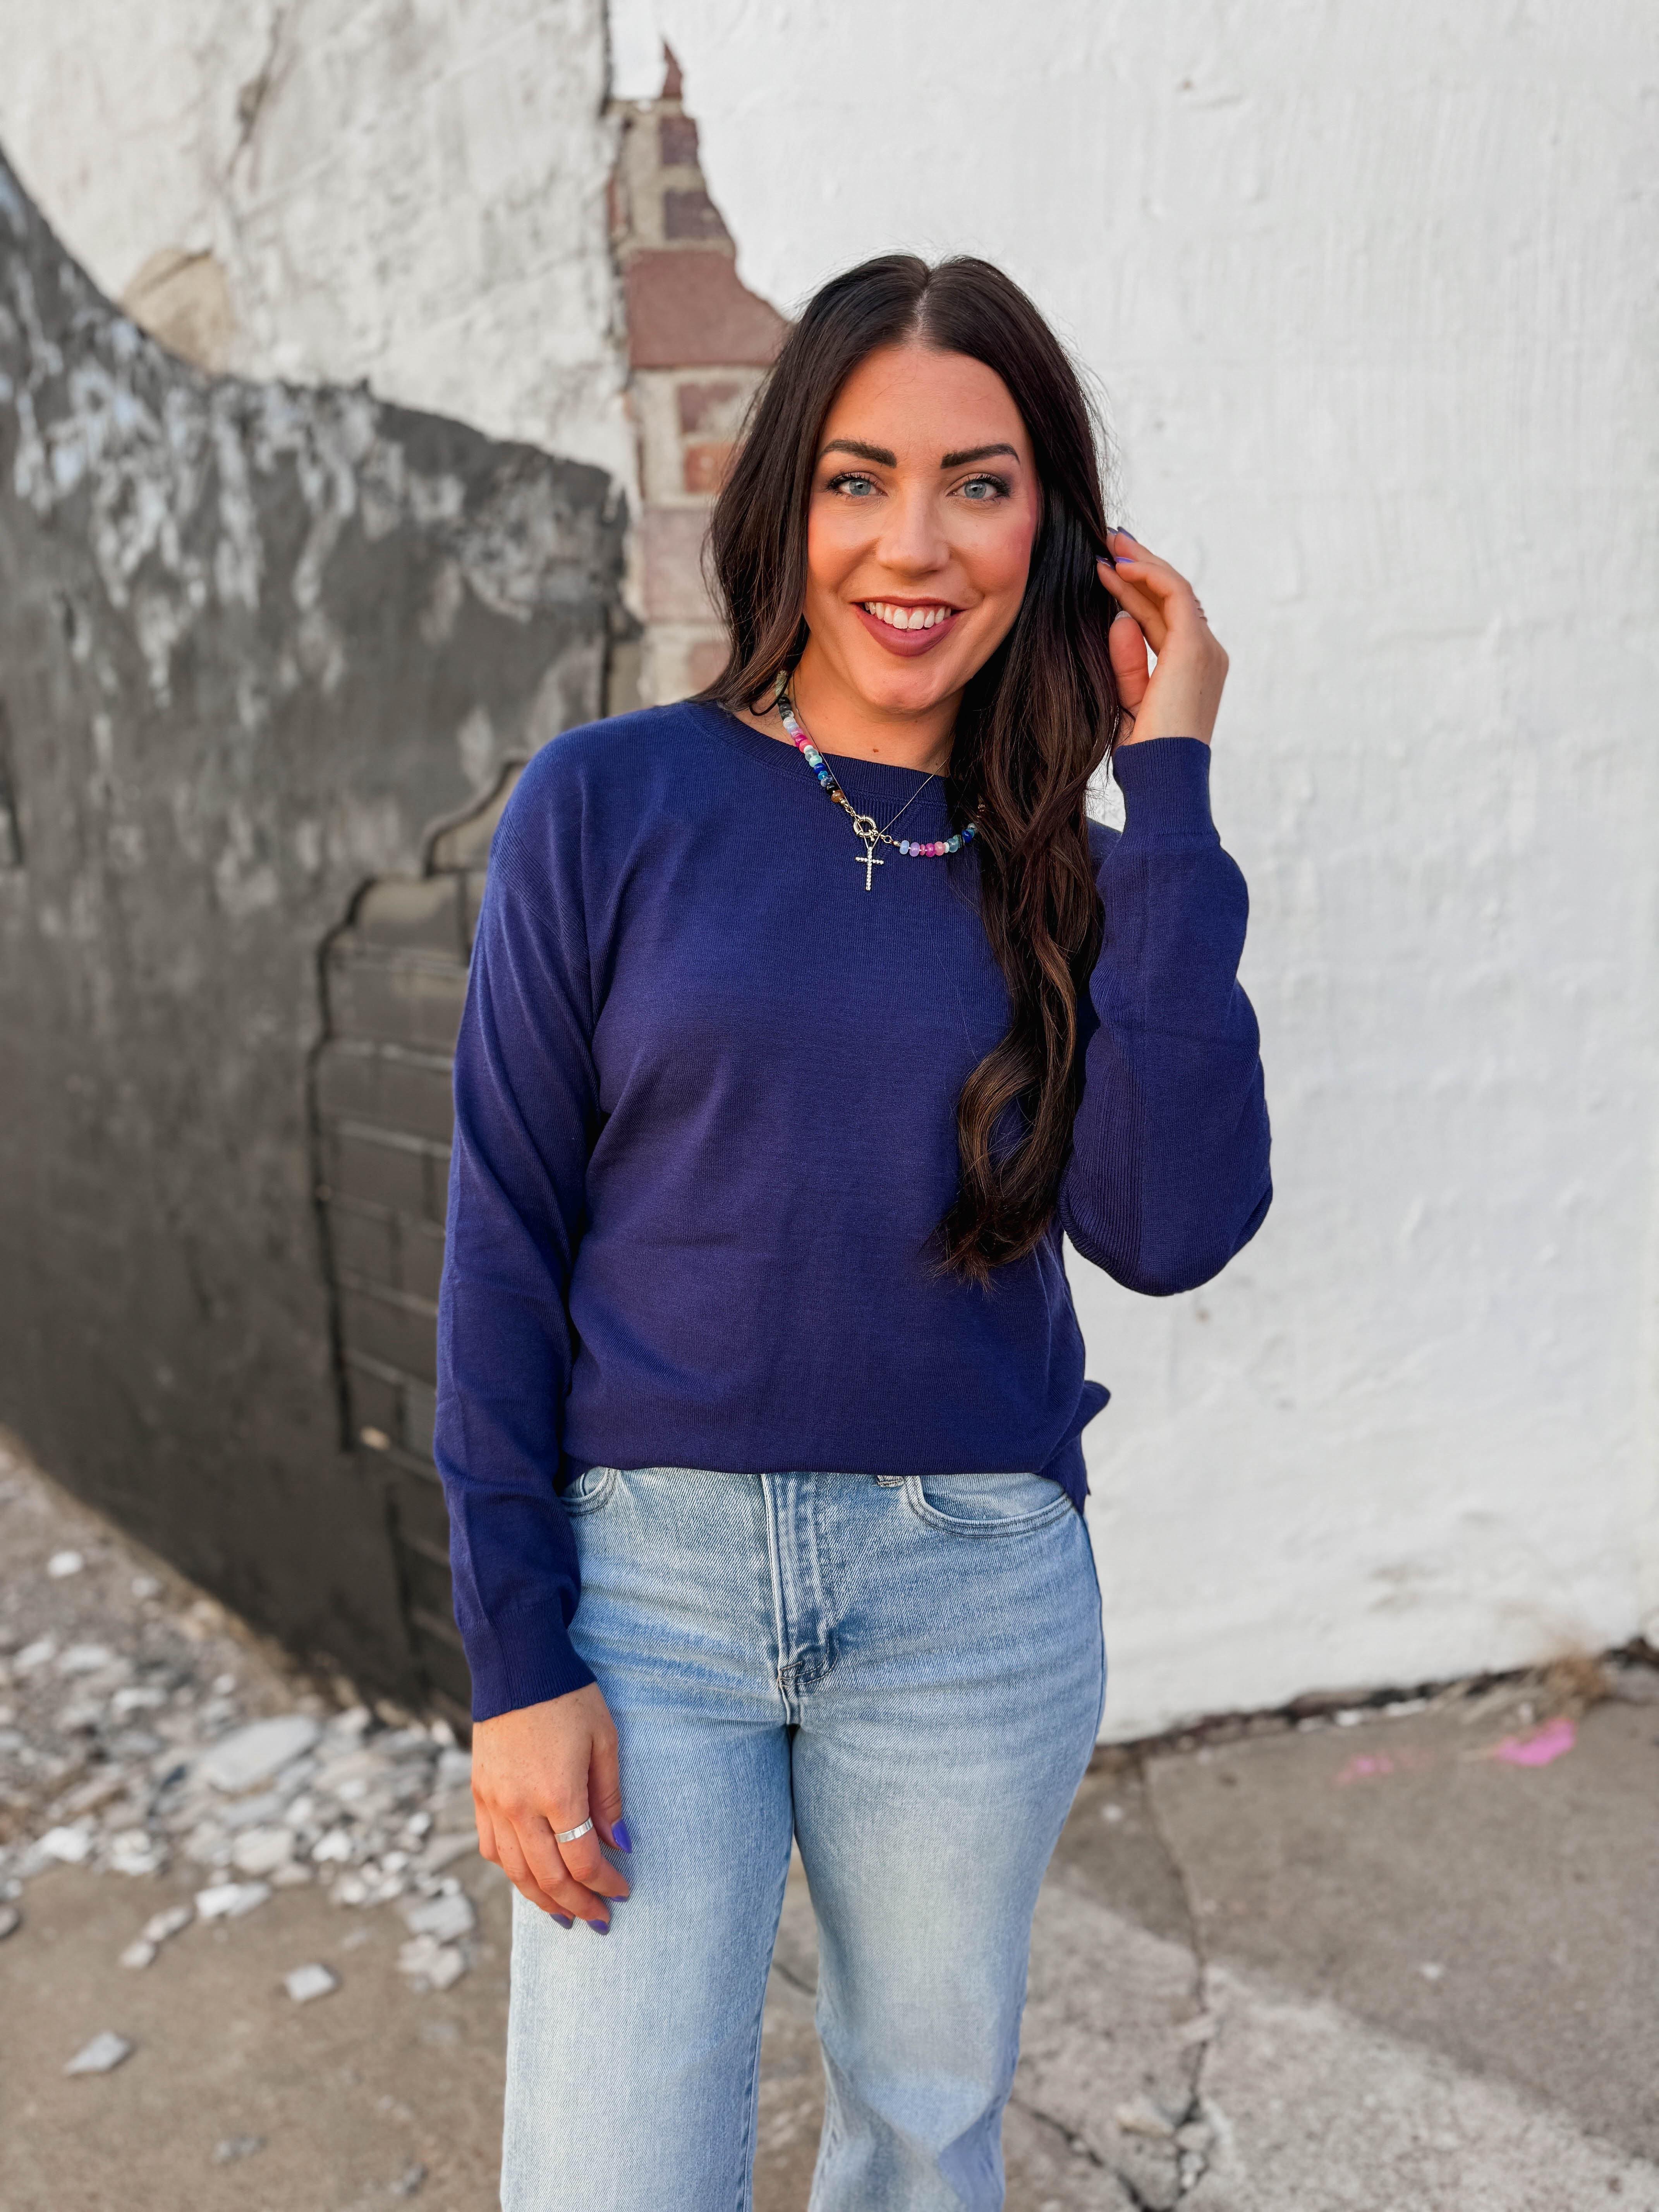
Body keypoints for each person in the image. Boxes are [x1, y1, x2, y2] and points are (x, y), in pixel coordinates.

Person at [435, 252, 1270, 2212]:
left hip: (970, 1594)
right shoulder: (609, 803)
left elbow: (1169, 1227)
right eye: (856, 479)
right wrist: (514, 1658)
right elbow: (502, 1241)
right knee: (613, 2173)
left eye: (980, 484)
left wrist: (1169, 783)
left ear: (1055, 529)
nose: (915, 545)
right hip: (650, 1596)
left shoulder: (1084, 870)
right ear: (784, 505)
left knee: (918, 2138)